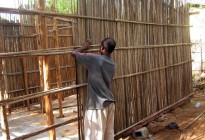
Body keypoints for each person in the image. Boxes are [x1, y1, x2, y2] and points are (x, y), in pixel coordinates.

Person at [71, 38, 116, 140]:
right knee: (108, 136)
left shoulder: (95, 59)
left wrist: (84, 47)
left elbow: (74, 53)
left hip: (97, 106)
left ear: (102, 48)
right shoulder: (112, 64)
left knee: (95, 136)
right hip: (109, 103)